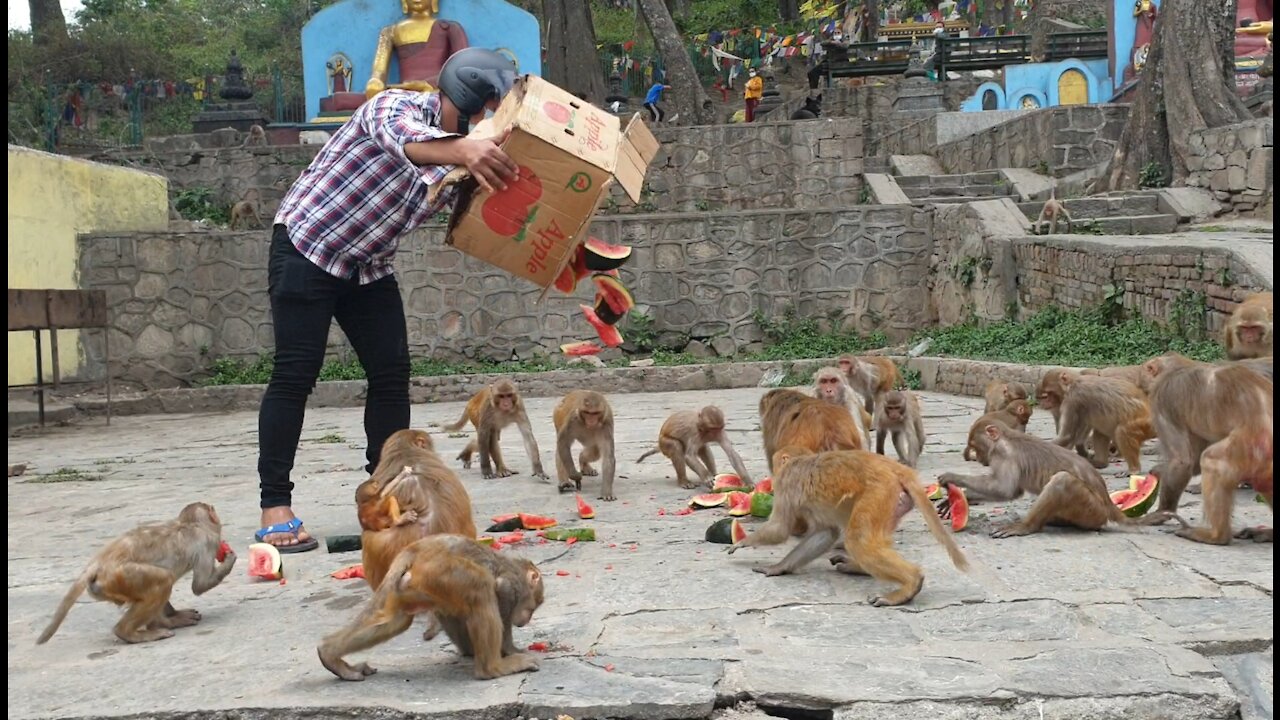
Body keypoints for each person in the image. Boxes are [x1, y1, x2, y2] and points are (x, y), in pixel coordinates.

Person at [253, 48, 521, 553]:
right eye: (488, 112)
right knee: (296, 372)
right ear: (465, 101)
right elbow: (409, 143)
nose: (492, 128)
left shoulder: (465, 161)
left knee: (392, 372)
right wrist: (465, 149)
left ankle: (388, 489)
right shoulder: (394, 108)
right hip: (308, 247)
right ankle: (275, 505)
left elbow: (497, 215)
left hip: (367, 266)